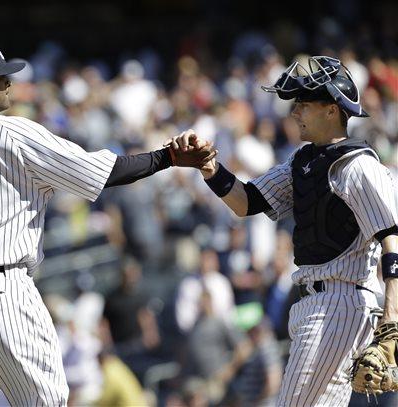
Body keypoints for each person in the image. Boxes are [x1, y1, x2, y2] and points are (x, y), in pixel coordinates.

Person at [0, 43, 216, 406]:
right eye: (2, 77)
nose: (10, 85)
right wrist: (166, 157)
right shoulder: (10, 133)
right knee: (46, 399)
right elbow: (101, 171)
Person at [169, 55, 398, 406]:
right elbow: (247, 201)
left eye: (304, 104)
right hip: (313, 303)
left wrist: (391, 319)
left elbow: (392, 238)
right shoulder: (303, 160)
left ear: (331, 109)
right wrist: (210, 167)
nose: (295, 112)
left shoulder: (359, 167)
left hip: (340, 301)